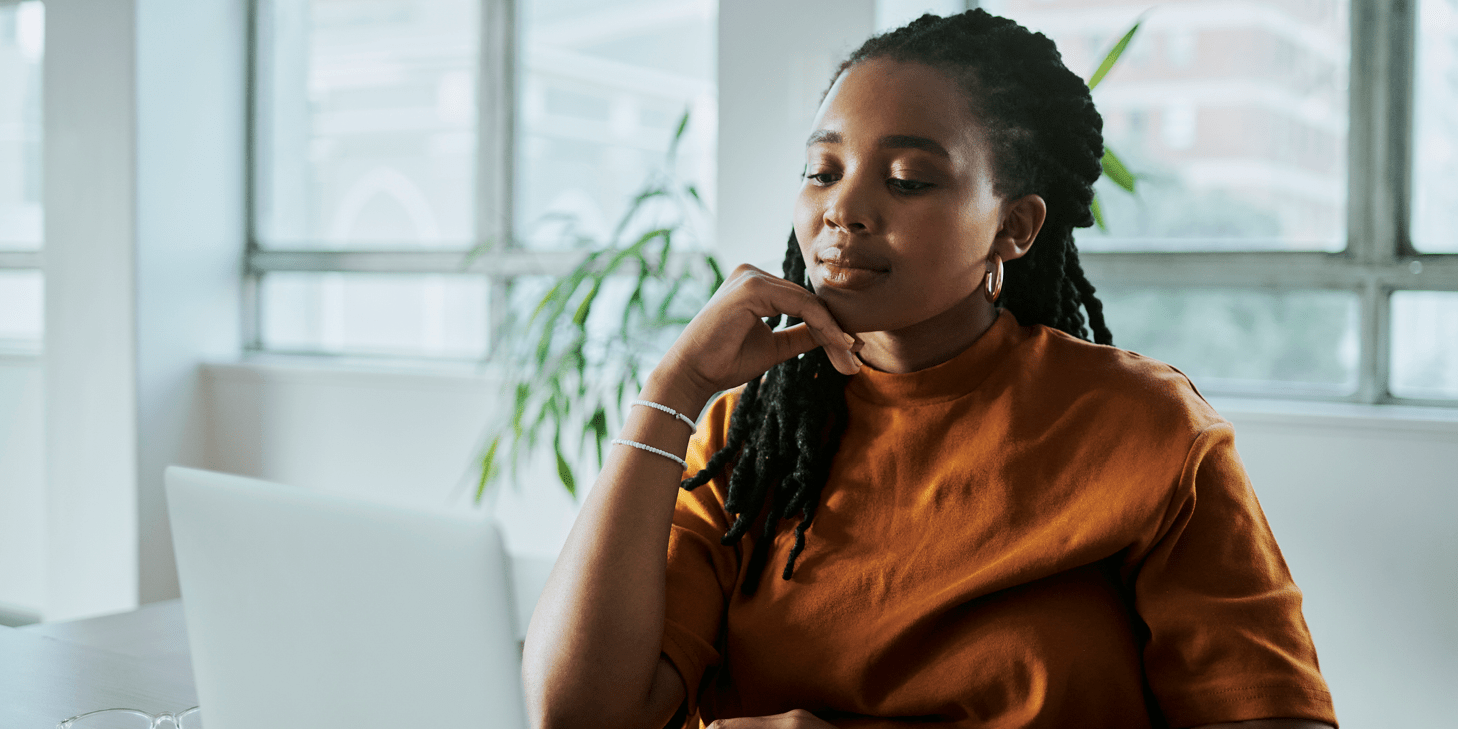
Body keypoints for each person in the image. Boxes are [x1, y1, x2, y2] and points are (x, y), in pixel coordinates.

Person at [521, 10, 1337, 729]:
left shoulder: (1145, 428)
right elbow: (577, 713)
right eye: (822, 170)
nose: (843, 208)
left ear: (1013, 228)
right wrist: (672, 391)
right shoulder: (749, 440)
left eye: (908, 179)